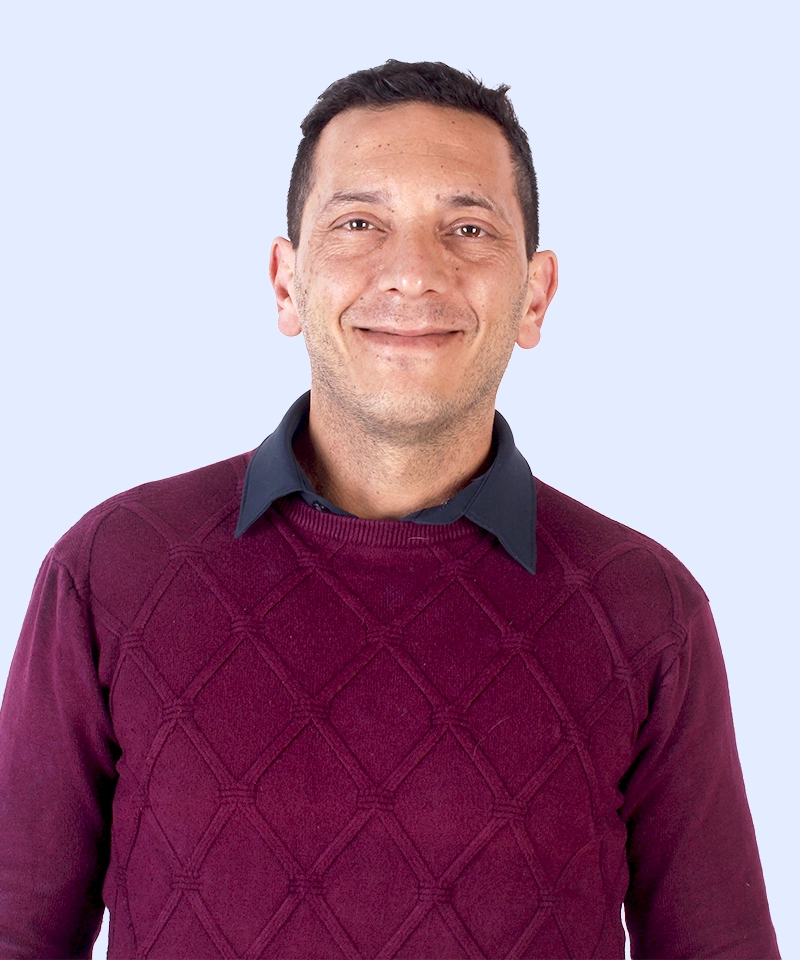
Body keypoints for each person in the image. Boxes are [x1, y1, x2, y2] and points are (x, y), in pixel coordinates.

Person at [0, 60, 779, 960]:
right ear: (286, 283)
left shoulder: (646, 609)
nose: (411, 273)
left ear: (535, 295)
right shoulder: (112, 571)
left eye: (468, 228)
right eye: (359, 223)